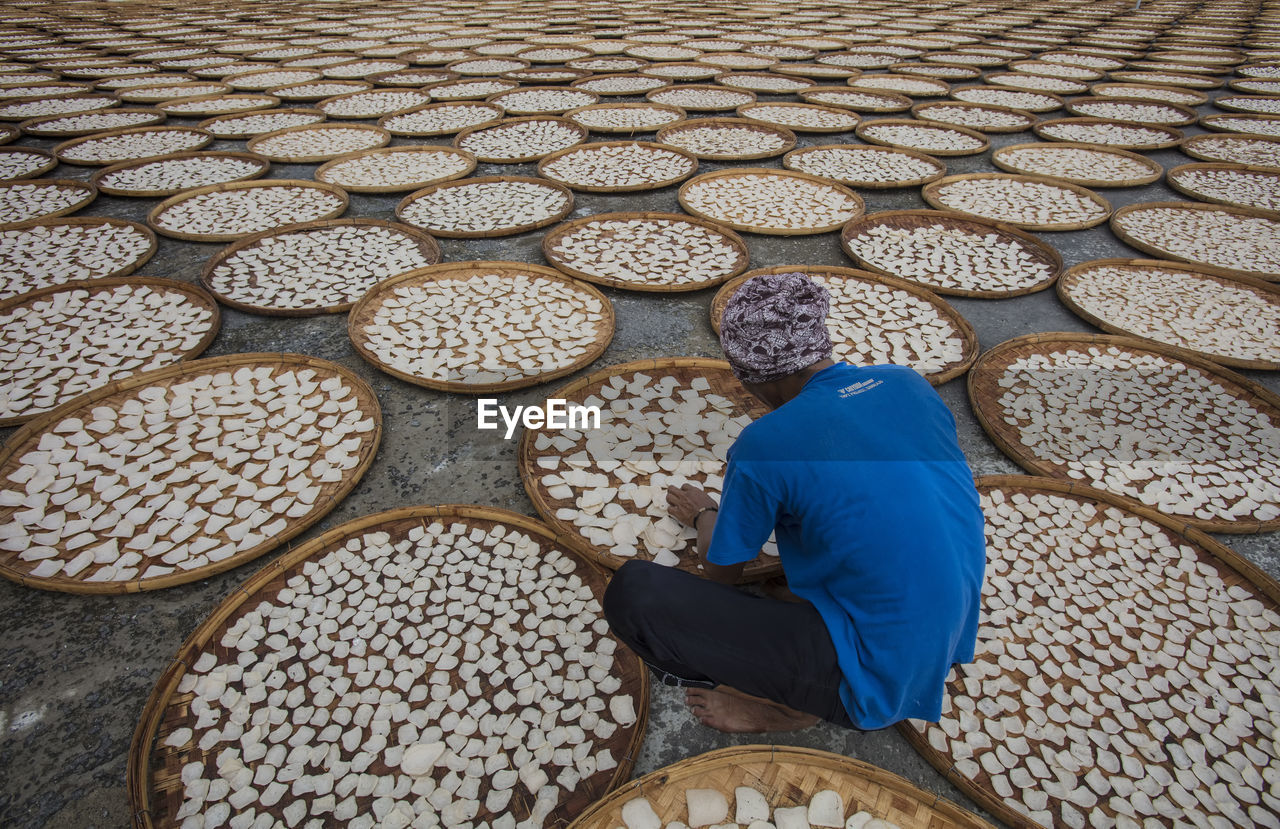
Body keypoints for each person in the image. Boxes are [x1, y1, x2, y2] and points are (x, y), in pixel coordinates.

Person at [602, 272, 986, 733]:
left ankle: (790, 707)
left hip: (875, 673)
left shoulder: (766, 443)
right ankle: (816, 631)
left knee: (634, 593)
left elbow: (722, 572)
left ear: (748, 375)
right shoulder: (906, 383)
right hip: (948, 626)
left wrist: (707, 514)